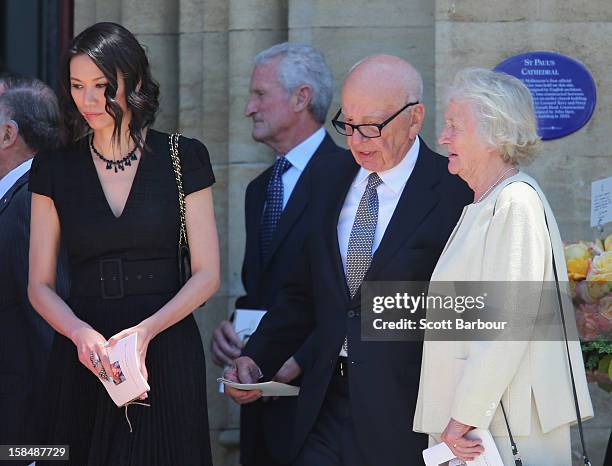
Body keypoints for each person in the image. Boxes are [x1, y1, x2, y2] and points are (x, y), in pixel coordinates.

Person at [223, 54, 472, 466]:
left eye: (371, 127)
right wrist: (257, 356)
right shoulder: (329, 179)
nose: (356, 141)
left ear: (415, 118)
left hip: (404, 415)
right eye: (348, 125)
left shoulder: (453, 191)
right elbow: (304, 292)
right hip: (322, 405)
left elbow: (466, 309)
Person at [27, 22, 220, 465]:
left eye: (101, 85)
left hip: (166, 348)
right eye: (77, 86)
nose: (87, 100)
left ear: (131, 82)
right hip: (85, 353)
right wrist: (80, 335)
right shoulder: (53, 169)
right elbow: (38, 283)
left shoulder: (184, 156)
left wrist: (147, 331)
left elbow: (207, 273)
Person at [413, 68, 594, 465]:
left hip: (499, 426)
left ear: (495, 135)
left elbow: (509, 323)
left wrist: (464, 416)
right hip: (479, 424)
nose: (443, 138)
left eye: (454, 127)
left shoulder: (515, 204)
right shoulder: (487, 203)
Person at [210, 42, 345, 466]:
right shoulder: (258, 190)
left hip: (322, 403)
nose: (249, 107)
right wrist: (234, 328)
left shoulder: (352, 177)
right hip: (260, 402)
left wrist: (300, 359)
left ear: (301, 97)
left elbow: (357, 294)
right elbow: (267, 287)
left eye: (260, 94)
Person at [0, 78, 70, 454]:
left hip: (27, 430)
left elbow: (47, 326)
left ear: (8, 134)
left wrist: (48, 449)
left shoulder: (30, 202)